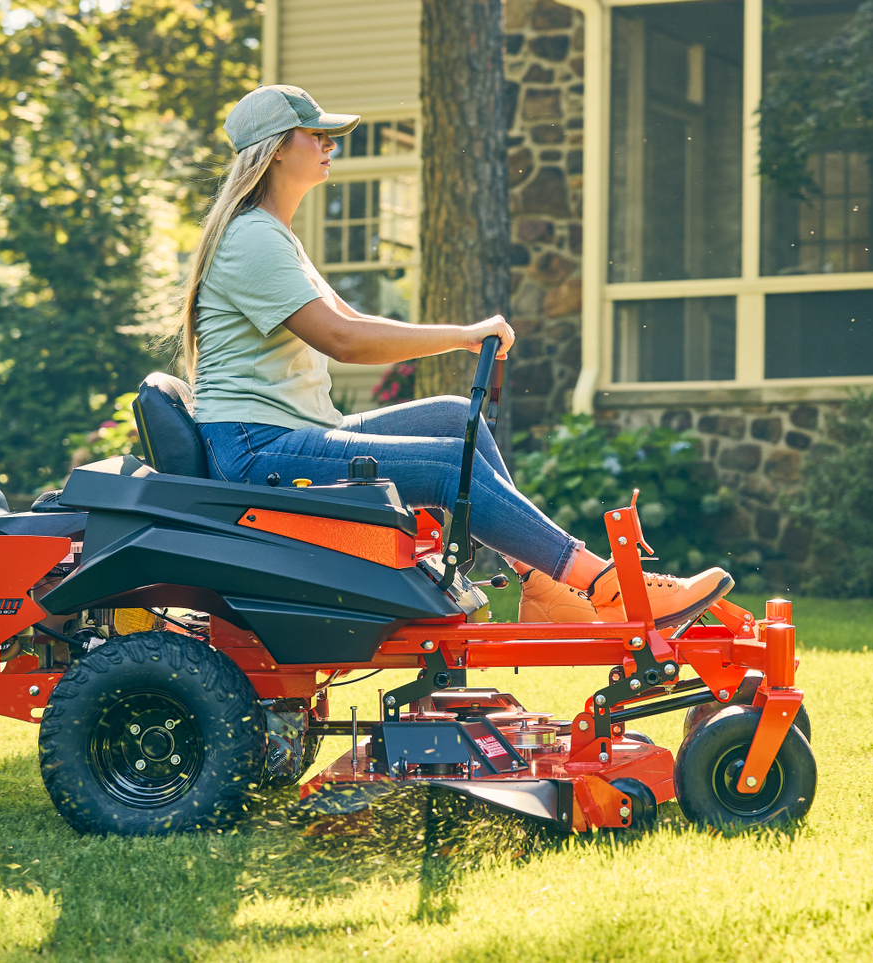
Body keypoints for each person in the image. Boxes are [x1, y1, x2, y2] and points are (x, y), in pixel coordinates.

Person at [174, 84, 732, 626]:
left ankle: (545, 588)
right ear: (274, 149)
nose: (330, 144)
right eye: (314, 134)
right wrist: (464, 334)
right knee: (446, 466)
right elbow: (344, 341)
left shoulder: (276, 236)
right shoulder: (252, 238)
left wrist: (462, 335)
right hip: (257, 449)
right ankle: (609, 585)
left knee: (450, 416)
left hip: (289, 433)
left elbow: (356, 324)